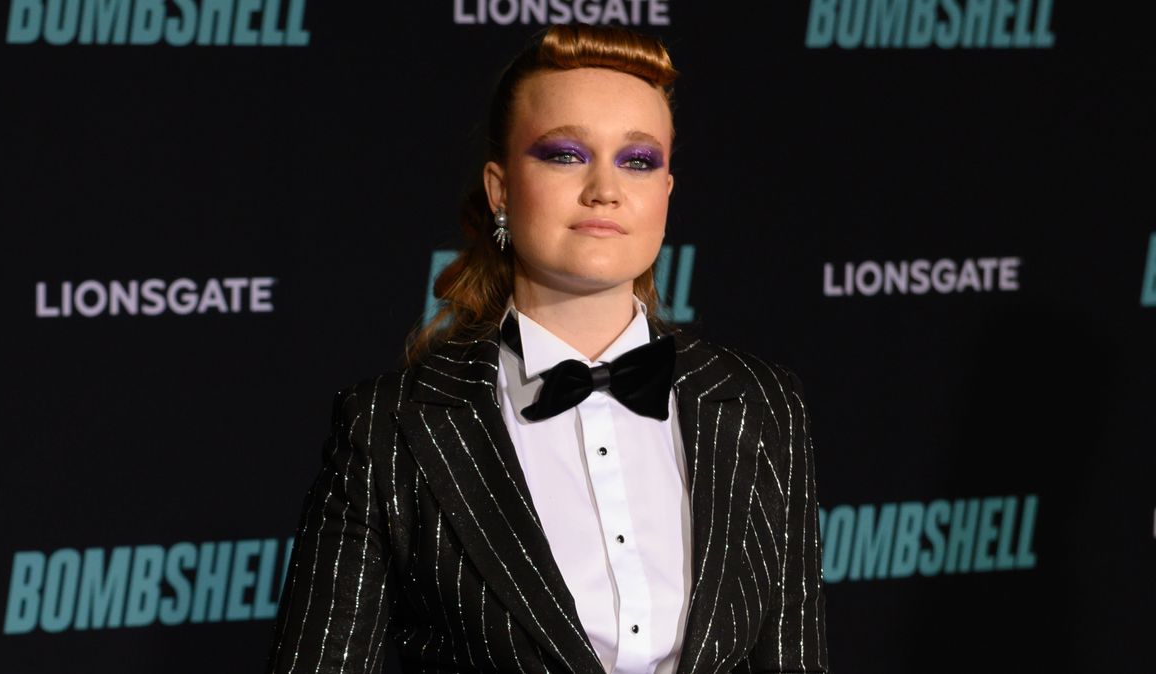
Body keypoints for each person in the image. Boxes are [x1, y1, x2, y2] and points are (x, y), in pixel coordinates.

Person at [267, 23, 828, 674]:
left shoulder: (762, 406)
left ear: (666, 192)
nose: (605, 189)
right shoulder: (391, 430)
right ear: (500, 189)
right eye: (565, 154)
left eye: (638, 160)